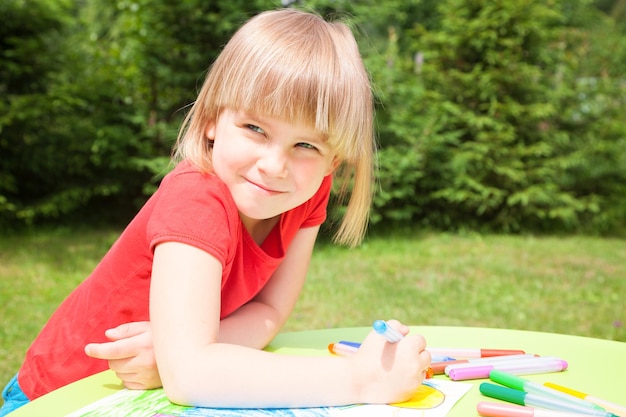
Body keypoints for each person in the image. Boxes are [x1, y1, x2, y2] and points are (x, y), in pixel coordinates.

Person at [0, 8, 431, 415]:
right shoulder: (197, 199)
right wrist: (360, 378)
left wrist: (177, 352)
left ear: (332, 162)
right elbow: (190, 376)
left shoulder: (307, 192)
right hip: (61, 398)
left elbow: (269, 311)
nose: (274, 165)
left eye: (306, 145)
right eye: (255, 128)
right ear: (211, 120)